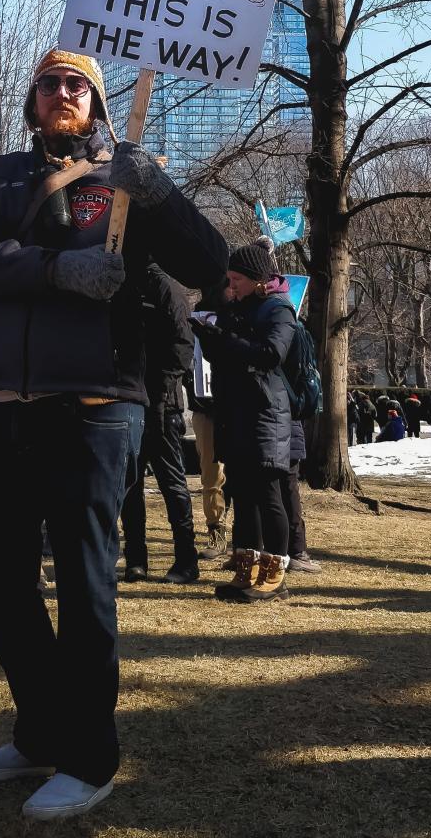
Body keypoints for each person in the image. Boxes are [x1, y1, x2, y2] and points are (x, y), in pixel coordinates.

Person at [0, 49, 227, 820]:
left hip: (98, 404)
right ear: (32, 99)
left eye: (78, 85)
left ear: (100, 102)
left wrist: (163, 196)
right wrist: (55, 271)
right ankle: (41, 732)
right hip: (3, 401)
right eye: (50, 83)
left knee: (83, 583)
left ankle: (90, 754)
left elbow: (207, 261)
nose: (63, 93)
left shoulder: (133, 178)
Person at [192, 237, 296, 604]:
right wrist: (209, 337)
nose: (229, 285)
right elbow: (228, 357)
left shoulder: (277, 310)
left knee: (268, 493)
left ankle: (274, 573)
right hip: (234, 412)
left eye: (236, 279)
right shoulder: (236, 308)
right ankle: (246, 566)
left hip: (266, 414)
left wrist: (225, 338)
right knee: (244, 494)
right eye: (228, 278)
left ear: (256, 278)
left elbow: (271, 354)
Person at [121, 266, 198, 584]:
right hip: (131, 396)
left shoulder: (166, 288)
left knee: (172, 483)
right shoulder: (125, 281)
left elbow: (183, 343)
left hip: (162, 404)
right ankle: (136, 559)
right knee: (130, 484)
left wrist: (165, 390)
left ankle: (186, 559)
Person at [186, 280, 230, 561]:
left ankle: (248, 537)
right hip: (205, 407)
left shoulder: (242, 315)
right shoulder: (194, 320)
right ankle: (217, 530)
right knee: (211, 475)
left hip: (234, 406)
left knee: (234, 475)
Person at [282, 419, 320, 573]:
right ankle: (297, 552)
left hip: (278, 434)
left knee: (281, 493)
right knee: (287, 493)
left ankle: (292, 551)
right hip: (286, 432)